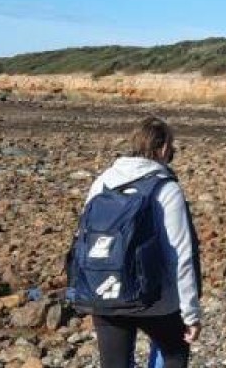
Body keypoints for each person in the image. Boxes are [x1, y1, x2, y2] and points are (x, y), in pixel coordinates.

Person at [80, 116, 202, 368]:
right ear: (165, 148)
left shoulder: (102, 182)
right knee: (174, 354)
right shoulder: (166, 188)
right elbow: (180, 255)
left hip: (106, 292)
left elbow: (83, 237)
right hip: (155, 299)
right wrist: (191, 313)